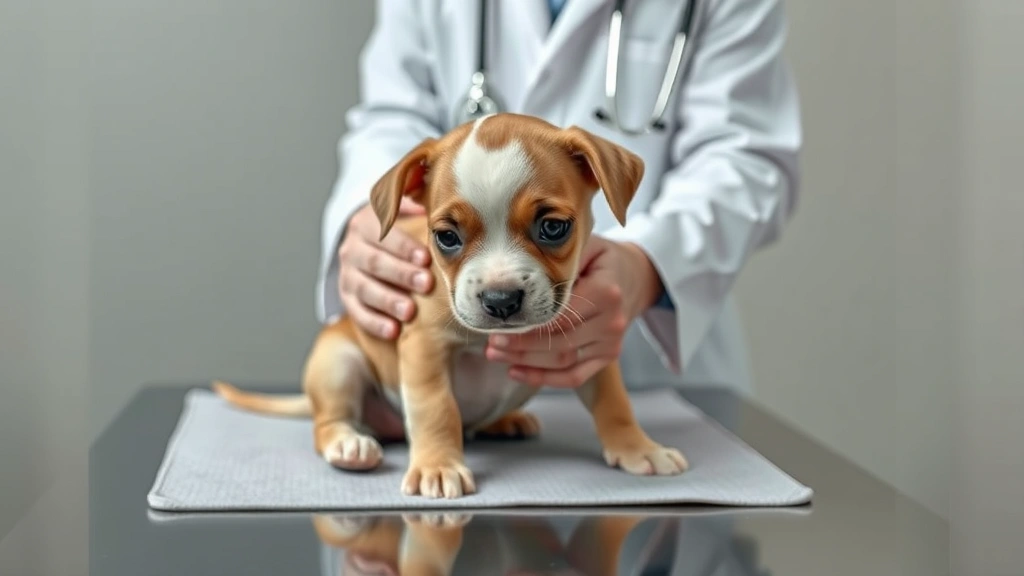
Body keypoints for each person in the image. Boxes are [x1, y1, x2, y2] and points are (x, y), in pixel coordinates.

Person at [315, 0, 801, 435]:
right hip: (441, 380)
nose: (502, 282)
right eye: (451, 235)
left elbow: (747, 157)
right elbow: (390, 115)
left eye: (550, 227)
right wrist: (376, 219)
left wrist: (649, 267)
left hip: (652, 374)